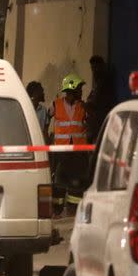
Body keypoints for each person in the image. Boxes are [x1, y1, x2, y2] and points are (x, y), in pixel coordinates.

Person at [49, 73, 89, 217]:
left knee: (76, 182)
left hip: (78, 152)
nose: (81, 91)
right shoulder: (55, 104)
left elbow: (88, 124)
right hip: (61, 151)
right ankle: (56, 210)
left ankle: (73, 210)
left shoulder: (83, 106)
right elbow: (47, 120)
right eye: (79, 88)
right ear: (72, 89)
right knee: (59, 182)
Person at [85, 55, 115, 144]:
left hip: (99, 127)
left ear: (102, 67)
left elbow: (97, 105)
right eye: (92, 69)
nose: (94, 72)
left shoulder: (104, 85)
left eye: (96, 68)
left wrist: (87, 105)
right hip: (94, 127)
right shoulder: (97, 85)